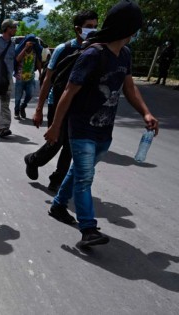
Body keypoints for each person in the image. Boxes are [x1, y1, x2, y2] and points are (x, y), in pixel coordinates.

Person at [43, 0, 159, 248]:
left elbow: (129, 87)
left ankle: (57, 205)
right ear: (128, 28)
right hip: (82, 126)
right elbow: (69, 92)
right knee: (85, 178)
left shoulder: (125, 55)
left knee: (78, 173)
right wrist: (55, 126)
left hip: (104, 130)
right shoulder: (93, 55)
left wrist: (146, 113)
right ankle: (88, 229)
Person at [25, 10, 99, 192]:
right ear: (77, 29)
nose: (93, 30)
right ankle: (33, 159)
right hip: (57, 102)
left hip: (80, 106)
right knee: (55, 140)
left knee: (71, 146)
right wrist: (38, 108)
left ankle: (57, 180)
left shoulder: (96, 51)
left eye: (96, 26)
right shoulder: (63, 49)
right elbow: (47, 79)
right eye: (89, 27)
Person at [0, 18, 18, 138]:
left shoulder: (13, 43)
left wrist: (16, 71)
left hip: (7, 77)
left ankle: (4, 127)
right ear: (7, 29)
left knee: (5, 103)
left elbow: (13, 60)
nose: (15, 29)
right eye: (13, 27)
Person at [13, 34, 42, 119]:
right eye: (29, 43)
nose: (31, 45)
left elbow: (38, 62)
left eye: (33, 43)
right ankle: (17, 111)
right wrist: (25, 48)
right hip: (20, 77)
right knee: (18, 97)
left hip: (31, 77)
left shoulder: (35, 51)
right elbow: (17, 59)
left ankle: (23, 106)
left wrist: (40, 73)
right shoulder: (21, 50)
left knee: (30, 94)